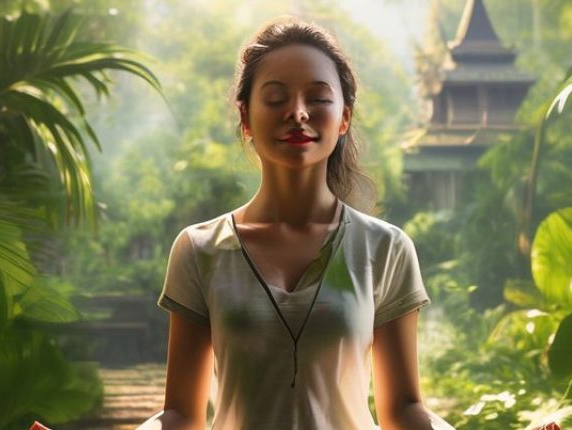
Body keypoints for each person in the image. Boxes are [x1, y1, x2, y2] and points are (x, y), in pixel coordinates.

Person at [137, 17, 453, 430]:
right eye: (275, 98)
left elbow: (404, 411)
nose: (298, 113)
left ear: (344, 119)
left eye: (318, 98)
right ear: (246, 118)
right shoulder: (200, 249)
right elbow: (181, 414)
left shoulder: (384, 249)